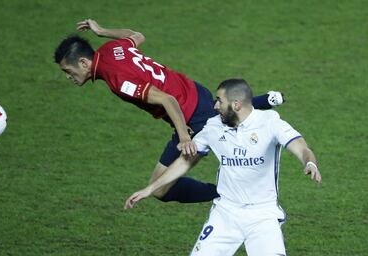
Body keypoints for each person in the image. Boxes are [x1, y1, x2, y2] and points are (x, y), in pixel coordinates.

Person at [55, 19, 285, 203]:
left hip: (189, 115)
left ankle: (223, 195)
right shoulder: (112, 49)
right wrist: (102, 31)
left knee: (160, 188)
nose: (67, 76)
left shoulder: (117, 80)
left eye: (68, 70)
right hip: (195, 91)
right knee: (219, 117)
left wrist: (185, 137)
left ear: (84, 63)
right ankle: (264, 100)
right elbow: (137, 36)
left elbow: (167, 99)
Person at [125, 78, 322, 255]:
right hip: (226, 213)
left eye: (220, 100)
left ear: (236, 104)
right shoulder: (213, 127)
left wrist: (310, 162)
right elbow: (185, 161)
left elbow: (301, 148)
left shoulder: (270, 122)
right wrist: (150, 189)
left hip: (263, 215)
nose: (215, 106)